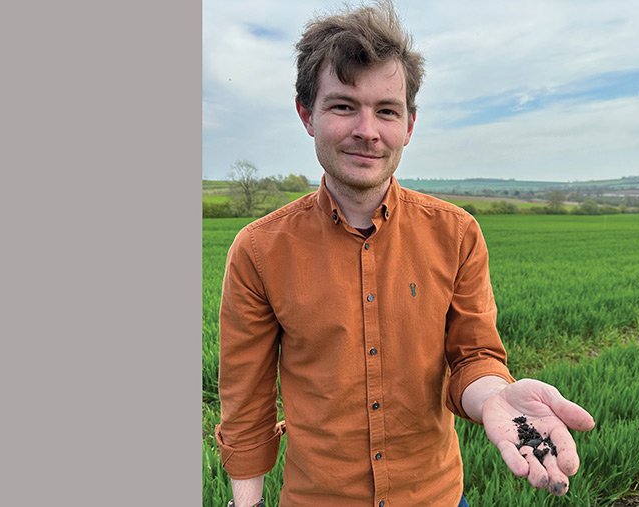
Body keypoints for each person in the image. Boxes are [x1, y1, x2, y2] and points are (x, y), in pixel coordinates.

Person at [215, 2, 595, 506]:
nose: (367, 130)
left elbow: (472, 355)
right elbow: (247, 400)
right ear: (307, 114)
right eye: (343, 105)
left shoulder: (457, 233)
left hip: (436, 496)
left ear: (409, 125)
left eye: (387, 111)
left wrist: (496, 396)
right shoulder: (259, 250)